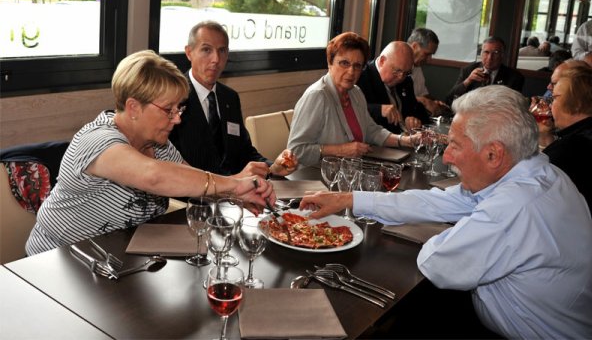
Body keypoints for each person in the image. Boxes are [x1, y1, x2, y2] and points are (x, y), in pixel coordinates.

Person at [300, 85, 592, 339]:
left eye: (455, 144)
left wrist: (467, 227)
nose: (446, 155)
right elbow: (435, 201)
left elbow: (436, 262)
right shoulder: (537, 174)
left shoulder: (513, 208)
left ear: (494, 154)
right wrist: (347, 199)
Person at [26, 50, 275, 255]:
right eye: (168, 110)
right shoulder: (97, 140)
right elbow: (153, 176)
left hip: (116, 260)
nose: (177, 119)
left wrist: (237, 194)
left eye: (180, 108)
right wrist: (234, 183)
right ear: (134, 107)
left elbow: (193, 181)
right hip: (58, 261)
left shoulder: (159, 145)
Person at [169, 21, 297, 178]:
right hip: (194, 197)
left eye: (221, 51)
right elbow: (171, 166)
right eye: (206, 50)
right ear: (189, 53)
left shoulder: (229, 97)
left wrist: (273, 167)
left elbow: (243, 152)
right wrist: (232, 183)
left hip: (235, 194)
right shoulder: (173, 99)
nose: (216, 59)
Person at [287, 32, 413, 167]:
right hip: (317, 177)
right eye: (344, 63)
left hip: (349, 172)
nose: (351, 72)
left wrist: (405, 140)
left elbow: (372, 130)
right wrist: (340, 150)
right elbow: (296, 150)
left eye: (357, 66)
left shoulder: (355, 93)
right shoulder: (317, 96)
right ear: (330, 62)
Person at [543, 65, 592, 239]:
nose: (550, 104)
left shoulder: (569, 150)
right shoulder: (590, 131)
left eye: (554, 98)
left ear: (577, 103)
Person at [356, 41, 429, 134]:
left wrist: (413, 120)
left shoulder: (406, 81)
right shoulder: (361, 77)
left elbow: (415, 109)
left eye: (406, 73)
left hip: (403, 140)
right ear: (382, 61)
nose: (401, 77)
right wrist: (379, 109)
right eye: (397, 71)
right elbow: (351, 109)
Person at [446, 36, 524, 104]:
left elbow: (514, 106)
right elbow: (449, 99)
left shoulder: (515, 77)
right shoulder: (469, 70)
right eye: (486, 52)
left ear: (502, 55)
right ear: (481, 54)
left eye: (495, 53)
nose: (490, 58)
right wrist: (468, 81)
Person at [406, 28, 450, 116]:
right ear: (414, 46)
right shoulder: (395, 66)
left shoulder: (417, 68)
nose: (429, 60)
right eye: (427, 54)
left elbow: (424, 94)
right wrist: (423, 101)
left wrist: (434, 102)